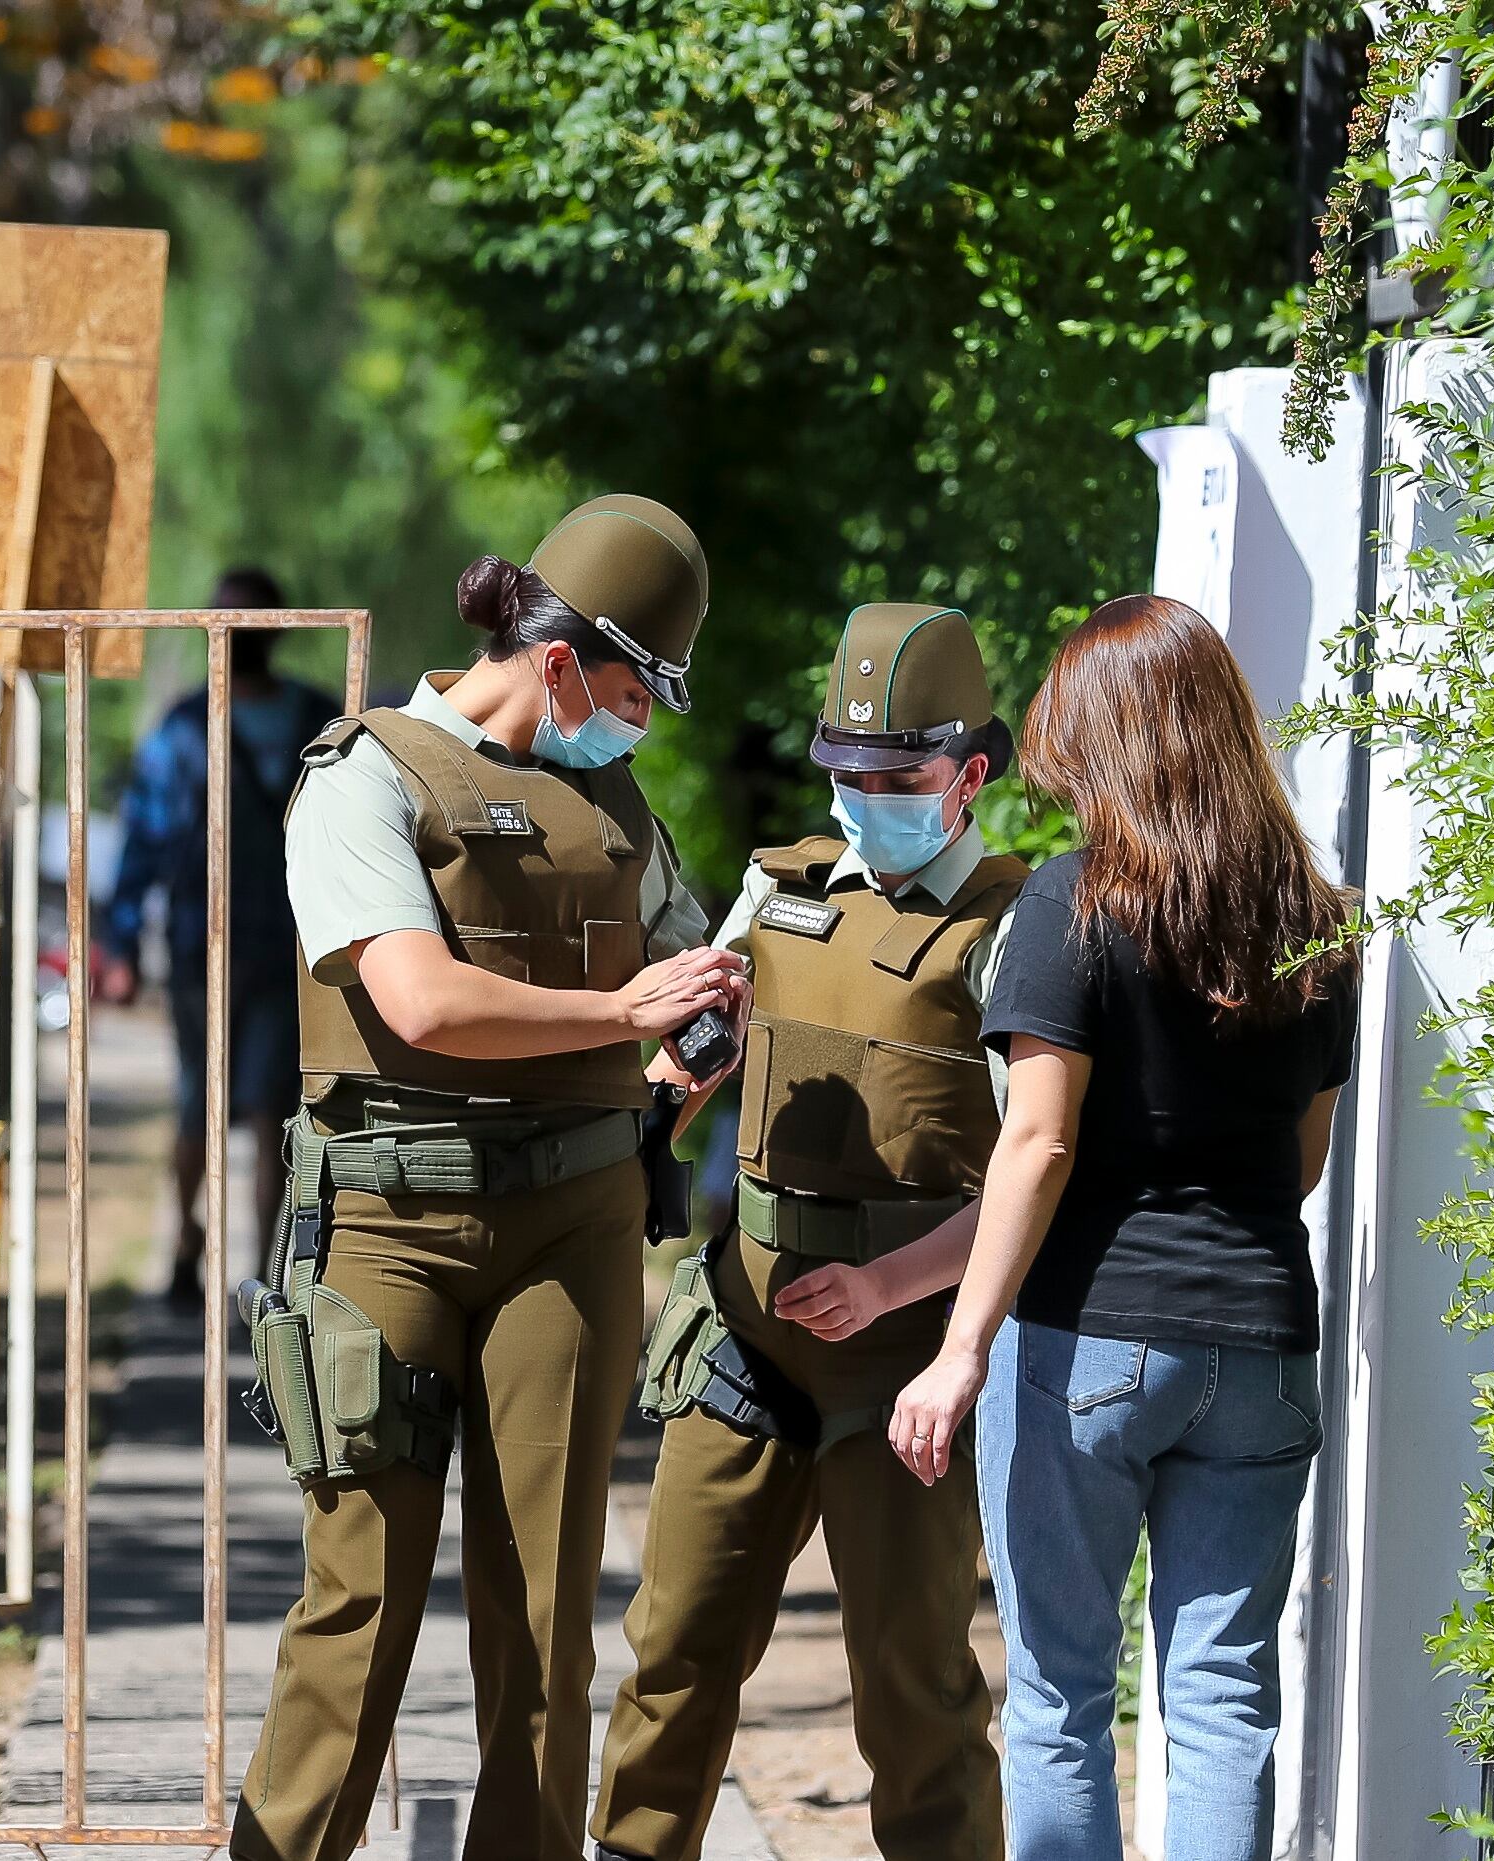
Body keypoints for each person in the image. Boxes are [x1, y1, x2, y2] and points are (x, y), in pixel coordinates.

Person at [774, 595, 1360, 1861]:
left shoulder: (1072, 902)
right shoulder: (1318, 920)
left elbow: (1038, 1145)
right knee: (1222, 1698)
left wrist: (959, 1346)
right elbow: (1299, 1163)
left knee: (1058, 1699)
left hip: (1089, 1342)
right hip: (1264, 1345)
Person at [234, 495, 746, 1861]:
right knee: (359, 1605)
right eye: (632, 691)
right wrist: (626, 1015)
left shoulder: (614, 808)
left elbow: (680, 987)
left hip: (571, 1229)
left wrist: (695, 1029)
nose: (636, 725)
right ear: (563, 660)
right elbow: (421, 1003)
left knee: (542, 1621)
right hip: (388, 1225)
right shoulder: (365, 776)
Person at [593, 604, 1022, 1861]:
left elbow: (1035, 1170)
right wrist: (657, 1096)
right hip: (744, 1330)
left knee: (914, 1690)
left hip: (906, 1359)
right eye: (847, 774)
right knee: (673, 1651)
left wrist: (892, 1287)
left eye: (896, 778)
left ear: (969, 775)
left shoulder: (1014, 928)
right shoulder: (777, 894)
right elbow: (690, 1058)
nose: (864, 800)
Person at [102, 567, 336, 1304]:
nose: (234, 635)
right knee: (197, 1103)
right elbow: (143, 836)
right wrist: (119, 936)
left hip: (294, 950)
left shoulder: (320, 720)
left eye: (246, 621)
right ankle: (185, 1247)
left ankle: (266, 1269)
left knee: (272, 1107)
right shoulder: (183, 727)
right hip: (203, 946)